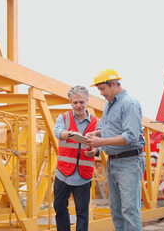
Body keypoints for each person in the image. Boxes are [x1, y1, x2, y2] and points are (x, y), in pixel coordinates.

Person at [85, 69, 145, 231]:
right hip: (114, 162)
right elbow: (112, 130)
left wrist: (101, 141)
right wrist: (97, 134)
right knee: (117, 211)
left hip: (129, 162)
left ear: (113, 84)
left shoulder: (129, 104)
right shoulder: (110, 104)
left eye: (103, 89)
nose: (101, 93)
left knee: (129, 211)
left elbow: (130, 136)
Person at [53, 85, 100, 231]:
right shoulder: (64, 118)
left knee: (82, 213)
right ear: (70, 102)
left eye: (81, 102)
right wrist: (66, 134)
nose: (78, 106)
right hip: (63, 173)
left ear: (87, 101)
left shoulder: (96, 123)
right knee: (59, 208)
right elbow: (58, 131)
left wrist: (96, 150)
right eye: (75, 103)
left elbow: (103, 143)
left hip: (83, 175)